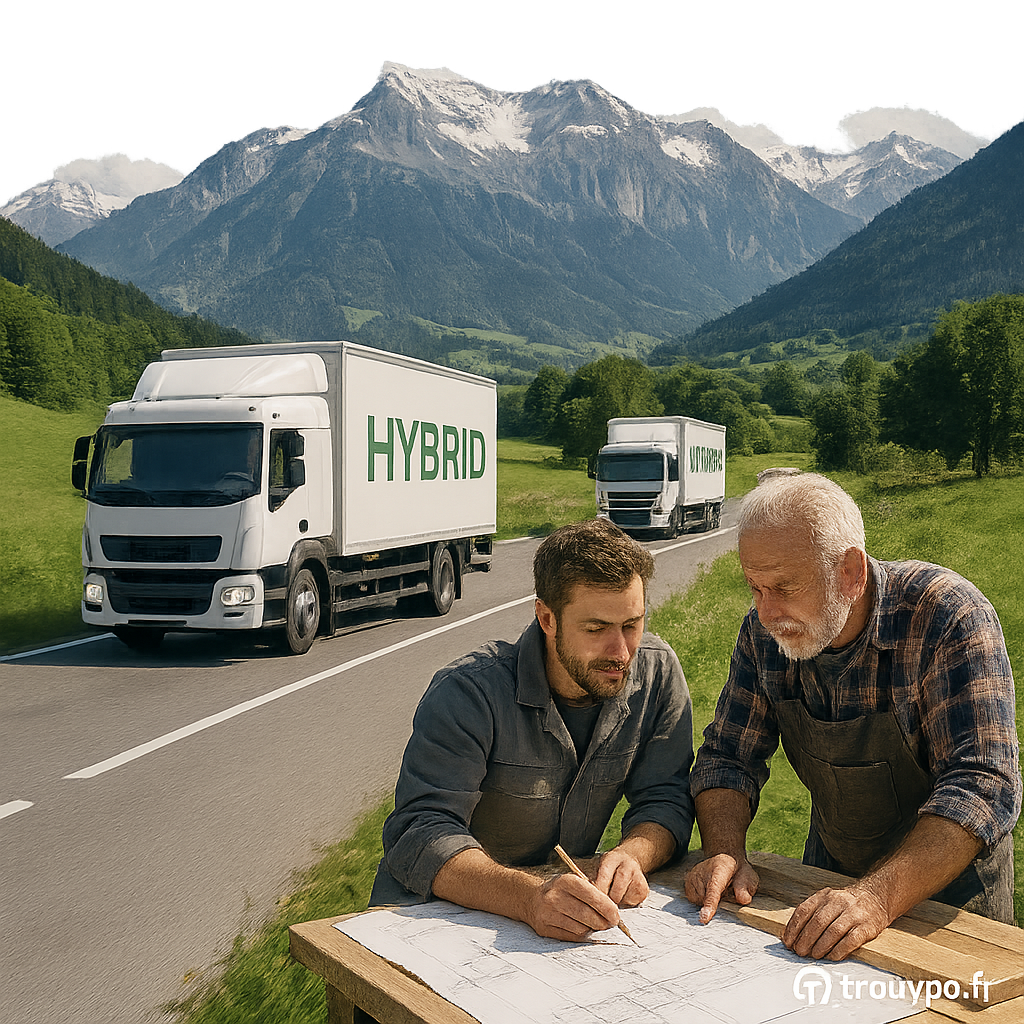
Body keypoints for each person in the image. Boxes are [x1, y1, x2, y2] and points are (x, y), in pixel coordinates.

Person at [685, 473, 1021, 962]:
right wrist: (725, 849)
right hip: (830, 882)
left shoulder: (947, 616)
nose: (766, 612)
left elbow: (982, 786)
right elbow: (727, 757)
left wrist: (875, 897)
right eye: (754, 588)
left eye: (785, 587)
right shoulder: (763, 636)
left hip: (951, 905)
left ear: (850, 572)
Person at [371, 517, 695, 941]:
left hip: (554, 924)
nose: (621, 653)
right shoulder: (468, 693)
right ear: (547, 618)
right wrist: (527, 898)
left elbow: (666, 798)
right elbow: (419, 830)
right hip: (428, 924)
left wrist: (633, 854)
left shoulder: (657, 672)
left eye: (632, 625)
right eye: (596, 629)